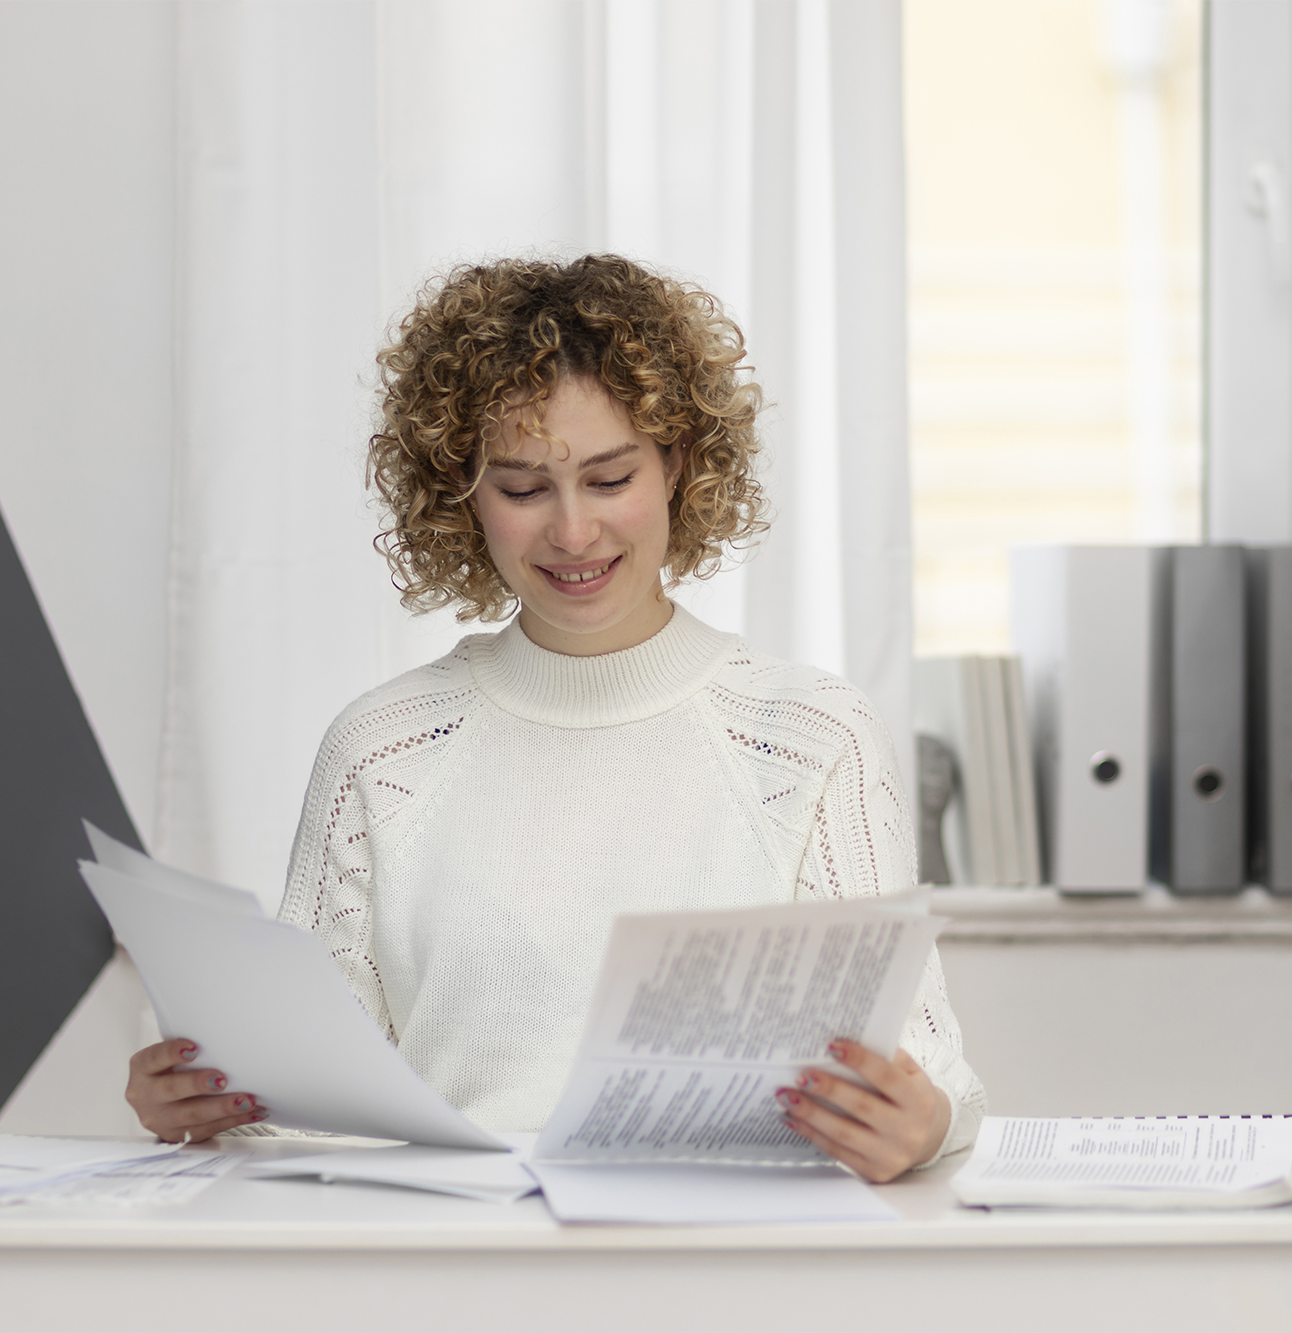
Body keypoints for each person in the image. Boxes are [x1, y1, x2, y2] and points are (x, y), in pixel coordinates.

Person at [126, 254, 985, 1183]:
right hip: (457, 1268)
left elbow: (933, 1072)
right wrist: (210, 1103)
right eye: (524, 489)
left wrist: (922, 1124)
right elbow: (307, 1107)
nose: (572, 533)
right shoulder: (383, 750)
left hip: (722, 1268)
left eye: (611, 479)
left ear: (680, 467)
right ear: (461, 492)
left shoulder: (813, 735)